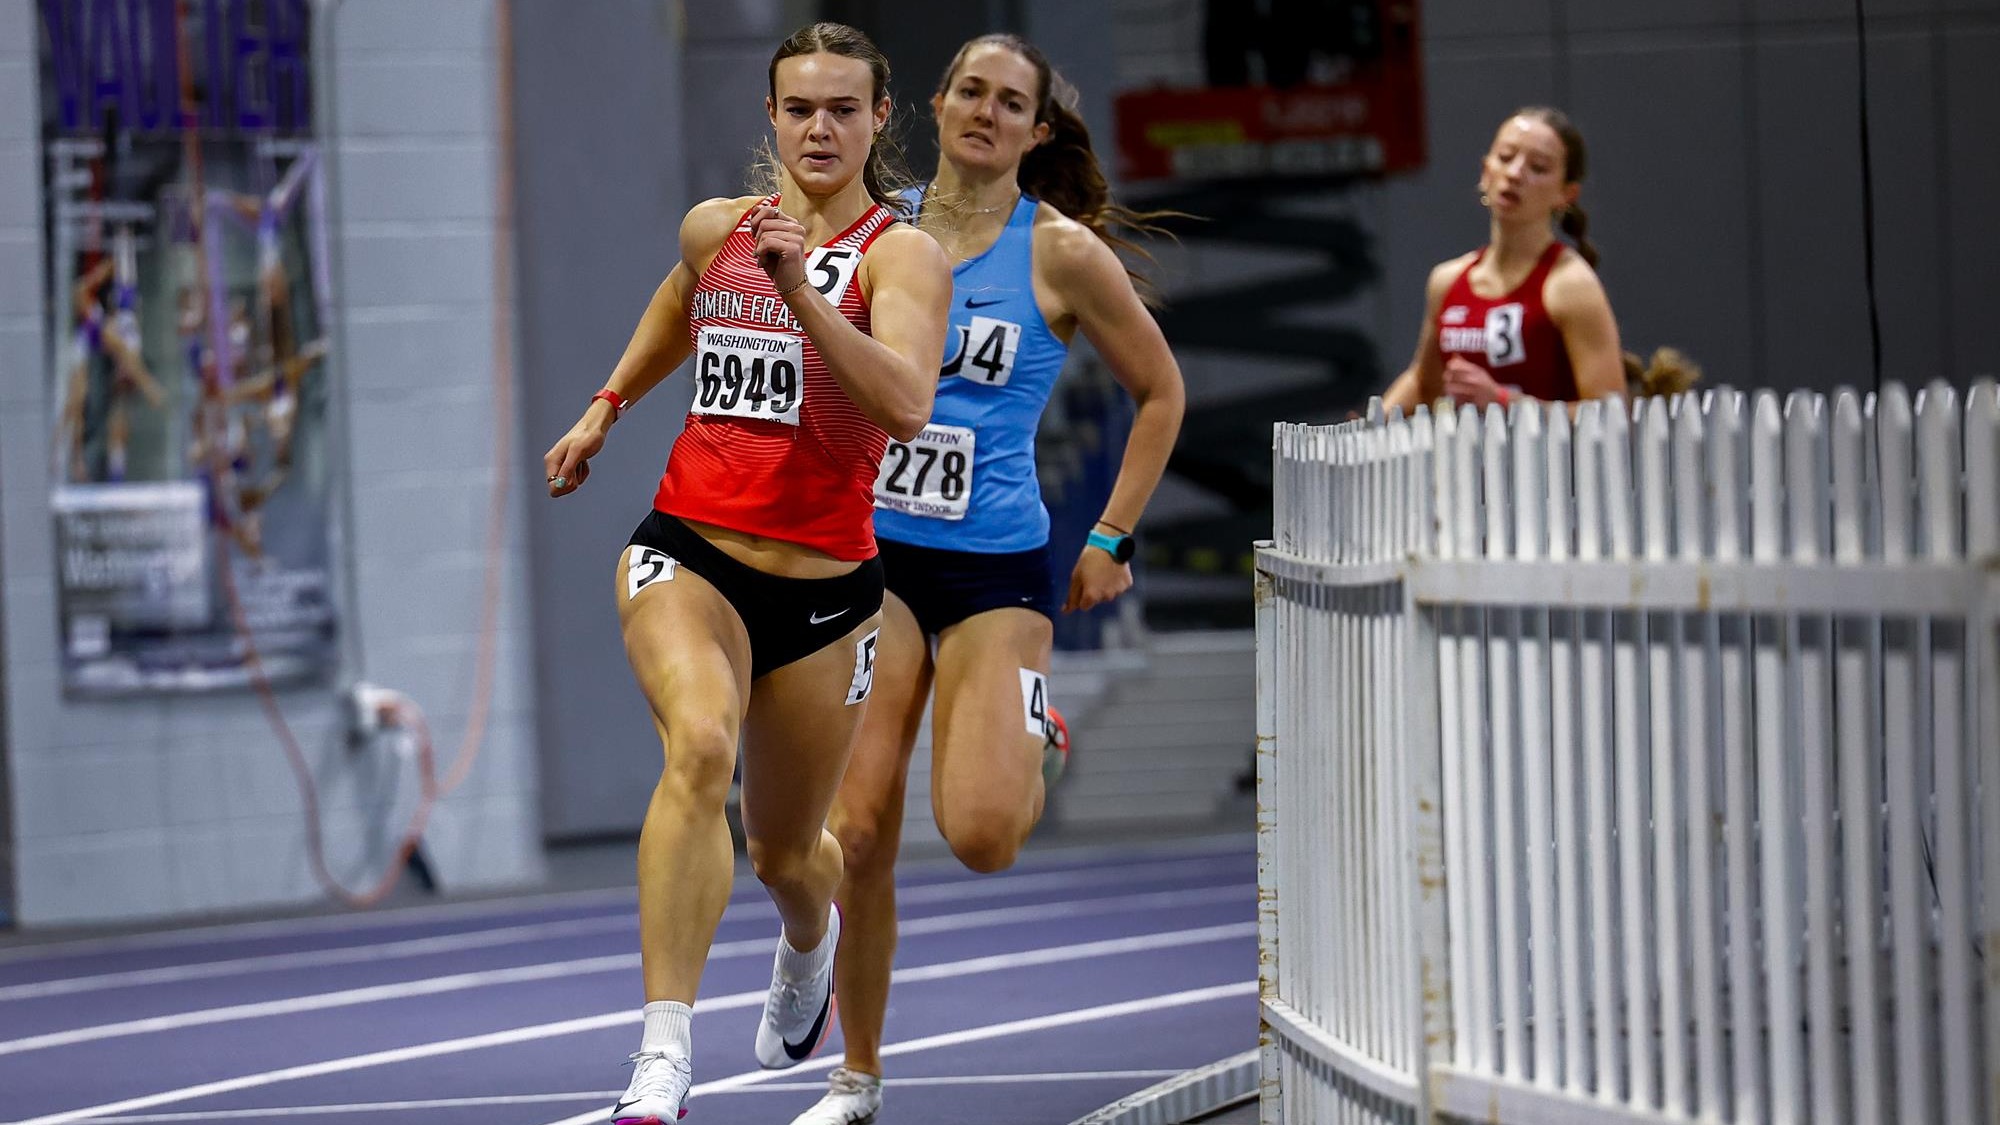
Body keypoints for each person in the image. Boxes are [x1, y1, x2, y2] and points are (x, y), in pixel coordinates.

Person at [539, 22, 951, 1124]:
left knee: (784, 853)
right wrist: (606, 405)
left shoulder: (900, 257)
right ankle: (662, 1055)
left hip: (825, 591)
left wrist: (803, 296)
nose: (820, 128)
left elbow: (906, 405)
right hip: (689, 548)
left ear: (878, 119)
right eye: (799, 108)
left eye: (843, 109)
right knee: (699, 746)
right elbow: (682, 300)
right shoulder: (716, 227)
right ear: (770, 115)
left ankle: (809, 940)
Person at [787, 33, 1187, 1125]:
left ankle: (1033, 730)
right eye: (970, 90)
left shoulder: (1058, 253)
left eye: (1010, 102)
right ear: (935, 101)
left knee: (981, 835)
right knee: (857, 828)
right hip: (873, 558)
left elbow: (1161, 391)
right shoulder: (878, 224)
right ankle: (857, 1075)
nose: (985, 111)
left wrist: (1112, 535)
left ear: (1035, 130)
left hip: (995, 569)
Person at [1382, 106, 1625, 412]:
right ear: (1486, 172)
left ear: (1567, 194)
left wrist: (1503, 402)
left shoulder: (1571, 285)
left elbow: (1610, 412)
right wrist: (1367, 428)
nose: (1514, 174)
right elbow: (1423, 382)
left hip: (1543, 447)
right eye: (1506, 157)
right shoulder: (1447, 280)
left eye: (1538, 167)